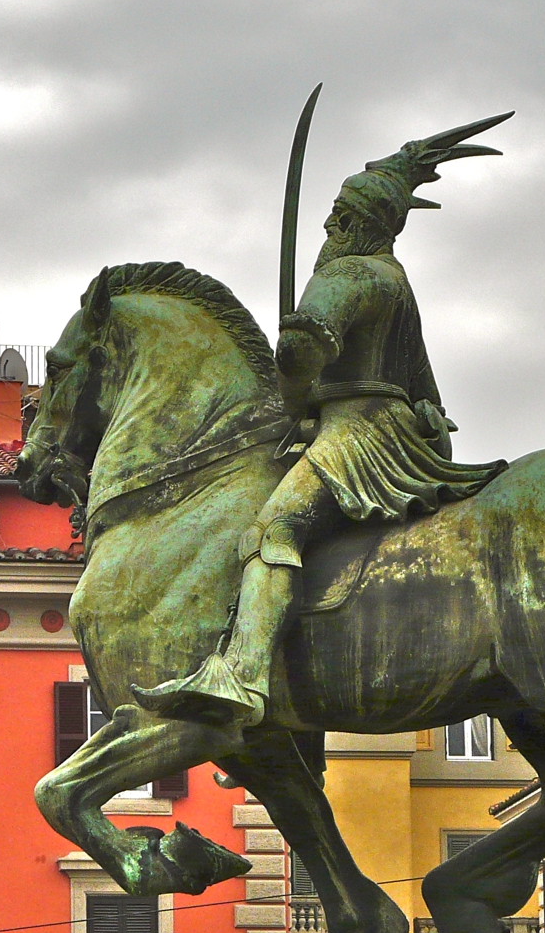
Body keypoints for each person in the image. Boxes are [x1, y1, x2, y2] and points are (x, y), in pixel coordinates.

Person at [133, 113, 513, 721]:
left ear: (360, 223)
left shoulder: (346, 274)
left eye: (341, 215)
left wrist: (292, 370)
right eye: (336, 212)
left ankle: (243, 673)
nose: (332, 223)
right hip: (392, 428)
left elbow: (307, 347)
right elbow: (423, 382)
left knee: (271, 532)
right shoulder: (395, 280)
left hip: (355, 435)